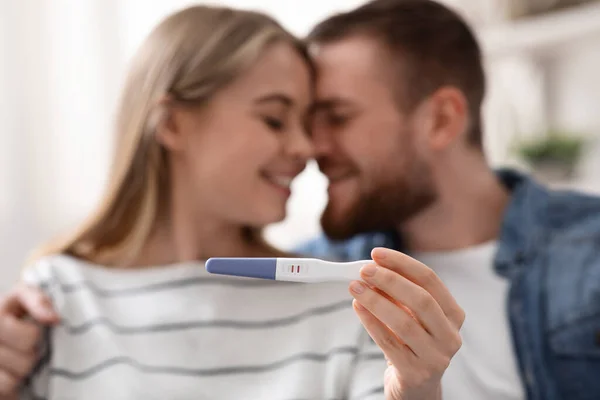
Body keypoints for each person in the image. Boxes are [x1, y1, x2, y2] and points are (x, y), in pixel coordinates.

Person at [0, 3, 465, 400]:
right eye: (275, 119)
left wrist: (418, 390)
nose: (306, 148)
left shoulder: (343, 302)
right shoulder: (54, 301)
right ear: (174, 124)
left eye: (307, 122)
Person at [298, 1, 600, 400]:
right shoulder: (311, 276)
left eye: (337, 117)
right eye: (306, 121)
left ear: (441, 120)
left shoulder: (591, 251)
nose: (309, 146)